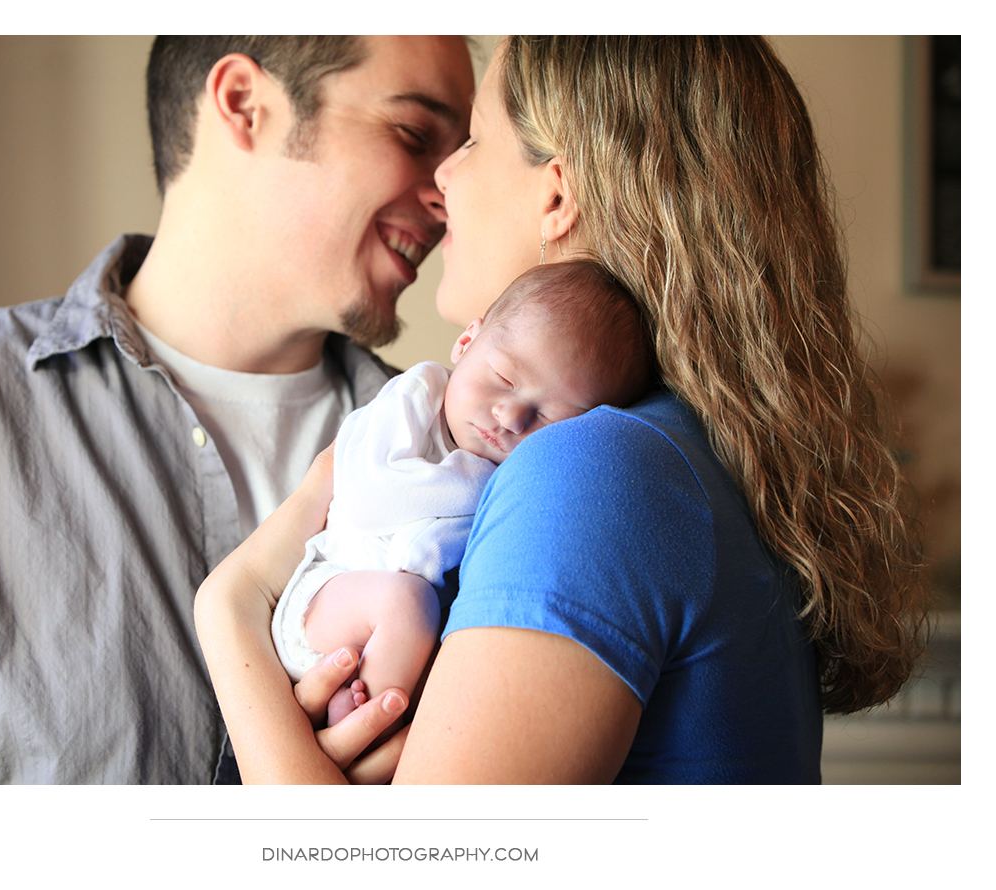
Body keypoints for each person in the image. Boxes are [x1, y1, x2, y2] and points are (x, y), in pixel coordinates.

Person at [193, 36, 930, 783]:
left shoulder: (591, 471)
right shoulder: (690, 449)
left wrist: (229, 612)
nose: (442, 174)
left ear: (555, 196)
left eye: (474, 138)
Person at [0, 35, 474, 783]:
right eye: (412, 134)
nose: (447, 191)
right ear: (243, 105)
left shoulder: (459, 458)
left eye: (461, 152)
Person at [273, 261, 651, 726]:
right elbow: (369, 501)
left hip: (389, 647)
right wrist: (476, 483)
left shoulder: (526, 488)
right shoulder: (414, 399)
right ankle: (363, 727)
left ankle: (358, 718)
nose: (511, 415)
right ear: (466, 342)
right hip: (326, 597)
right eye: (504, 378)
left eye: (551, 416)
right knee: (408, 602)